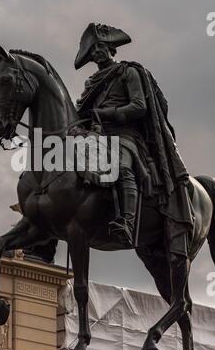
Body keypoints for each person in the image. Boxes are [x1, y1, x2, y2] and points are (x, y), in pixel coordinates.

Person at [75, 23, 194, 254]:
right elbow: (81, 112)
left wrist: (106, 114)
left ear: (111, 49)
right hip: (97, 136)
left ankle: (127, 223)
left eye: (100, 47)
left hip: (126, 135)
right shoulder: (91, 83)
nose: (97, 52)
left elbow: (139, 106)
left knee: (120, 165)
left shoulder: (128, 72)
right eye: (92, 51)